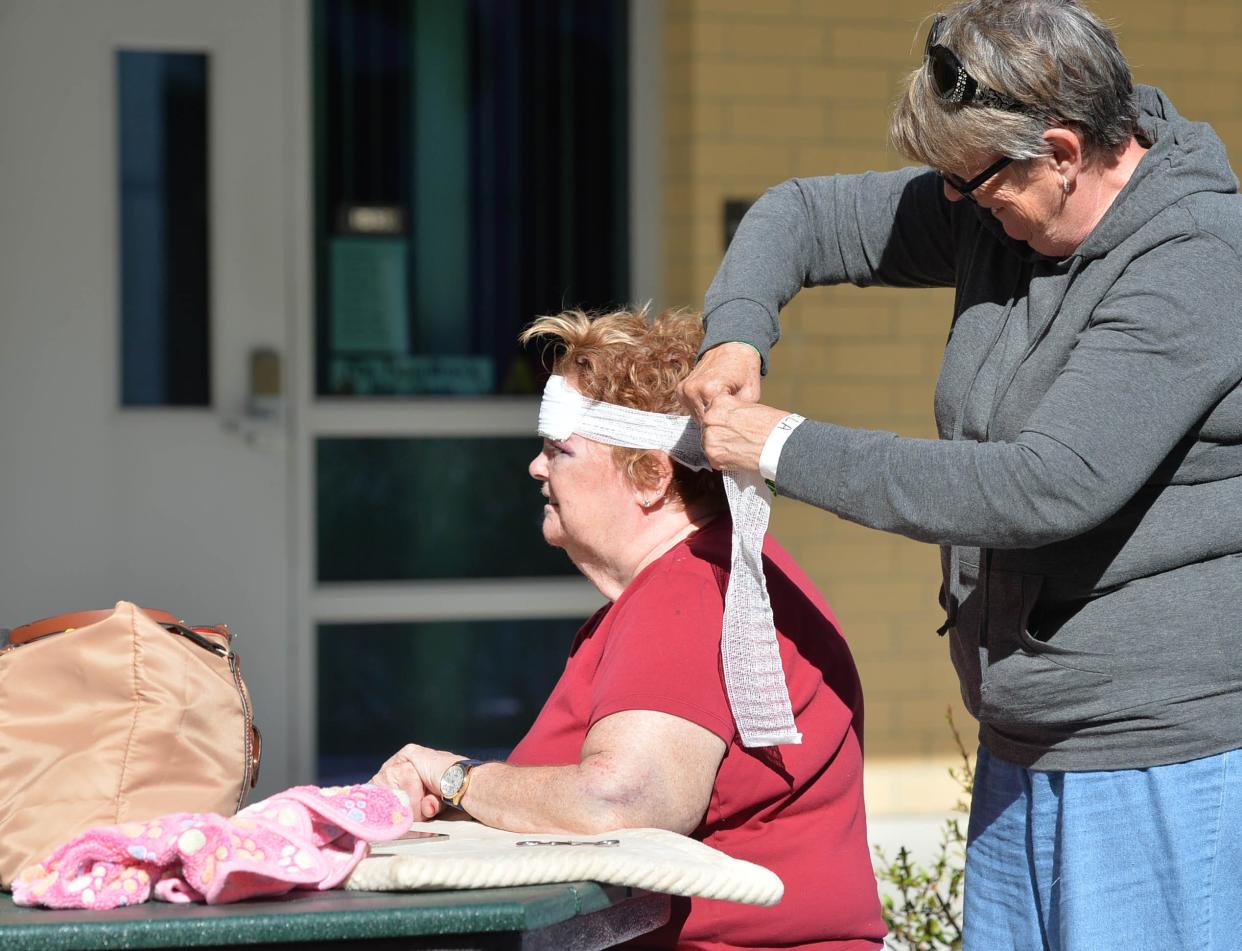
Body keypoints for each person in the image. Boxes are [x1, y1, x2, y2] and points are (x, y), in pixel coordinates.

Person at [678, 1, 1242, 949]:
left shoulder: (1195, 261)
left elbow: (1042, 486)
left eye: (976, 190)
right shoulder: (999, 209)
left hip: (1158, 760)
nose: (958, 206)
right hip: (1024, 736)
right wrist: (739, 326)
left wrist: (780, 445)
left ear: (1060, 151)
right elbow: (800, 213)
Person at [373, 308, 886, 951]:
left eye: (559, 448)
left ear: (650, 474)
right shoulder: (712, 575)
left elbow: (618, 802)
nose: (536, 467)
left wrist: (455, 778)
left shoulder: (689, 591)